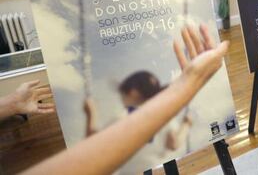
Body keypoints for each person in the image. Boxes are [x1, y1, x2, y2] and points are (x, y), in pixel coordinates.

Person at [21, 24, 229, 175]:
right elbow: (97, 148)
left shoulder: (134, 115)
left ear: (134, 94)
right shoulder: (139, 115)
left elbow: (96, 146)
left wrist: (91, 114)